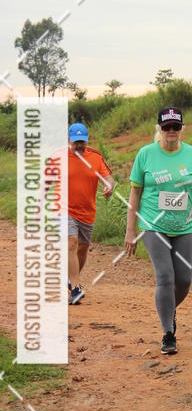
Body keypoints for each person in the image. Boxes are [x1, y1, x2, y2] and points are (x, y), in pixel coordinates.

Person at [124, 106, 192, 355]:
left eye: (176, 127)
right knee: (165, 277)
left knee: (184, 280)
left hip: (184, 226)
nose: (171, 131)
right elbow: (135, 193)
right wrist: (130, 230)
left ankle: (169, 309)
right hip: (153, 225)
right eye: (166, 127)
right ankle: (168, 333)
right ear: (159, 129)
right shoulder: (146, 155)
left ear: (182, 129)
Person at [67, 122, 114, 305]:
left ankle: (70, 279)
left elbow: (109, 178)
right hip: (65, 210)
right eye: (76, 142)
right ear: (69, 140)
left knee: (83, 249)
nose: (79, 145)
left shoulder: (95, 157)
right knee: (72, 243)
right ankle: (76, 288)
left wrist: (108, 186)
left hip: (87, 211)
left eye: (82, 142)